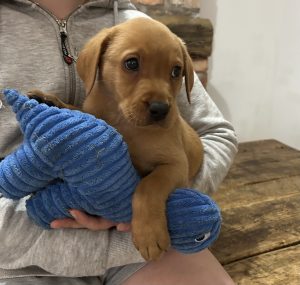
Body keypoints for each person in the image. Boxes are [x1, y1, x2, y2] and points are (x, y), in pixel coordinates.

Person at [0, 0, 238, 284]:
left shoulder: (141, 25)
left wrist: (150, 206)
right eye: (132, 64)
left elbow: (209, 141)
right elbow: (91, 128)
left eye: (175, 73)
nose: (161, 98)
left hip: (148, 238)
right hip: (22, 251)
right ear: (92, 65)